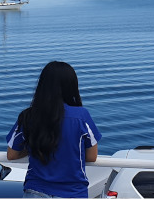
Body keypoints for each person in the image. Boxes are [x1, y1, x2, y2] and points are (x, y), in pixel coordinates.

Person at [6, 61, 101, 198]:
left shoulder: (28, 116)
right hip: (72, 192)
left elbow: (12, 154)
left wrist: (35, 147)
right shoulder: (81, 116)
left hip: (36, 191)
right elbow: (92, 157)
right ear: (72, 86)